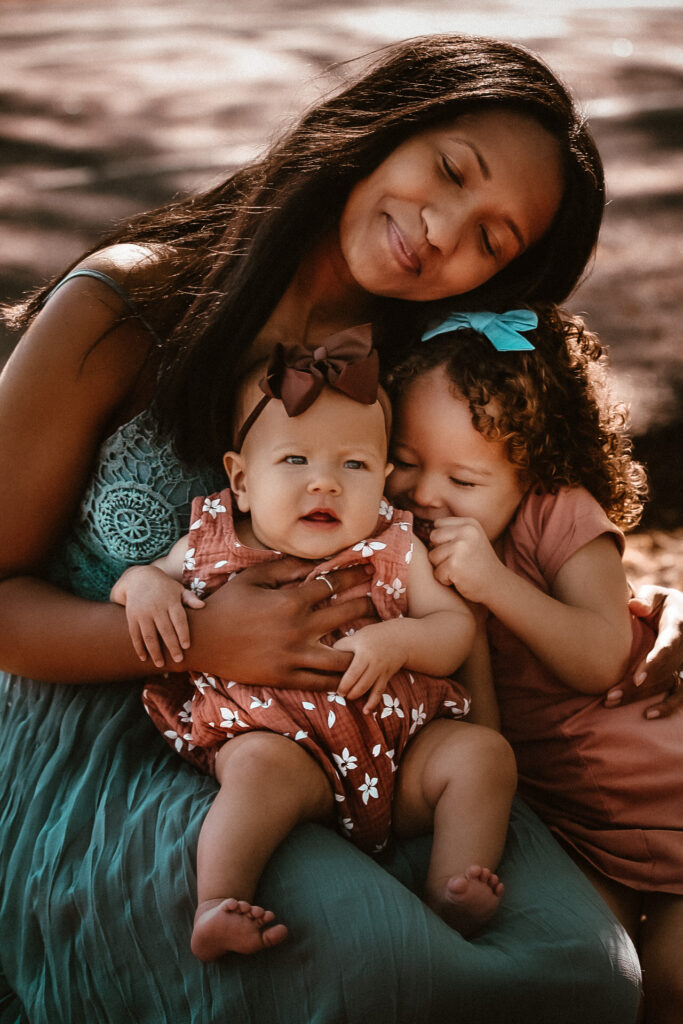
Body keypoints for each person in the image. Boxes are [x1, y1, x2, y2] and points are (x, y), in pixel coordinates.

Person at [0, 32, 680, 1024]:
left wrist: (625, 623)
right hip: (128, 737)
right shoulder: (123, 306)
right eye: (450, 170)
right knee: (380, 966)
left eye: (491, 239)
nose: (442, 228)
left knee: (582, 963)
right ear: (388, 121)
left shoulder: (421, 360)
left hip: (387, 733)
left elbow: (524, 519)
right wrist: (196, 634)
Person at [110, 338, 516, 958]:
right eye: (295, 459)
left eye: (353, 466)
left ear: (382, 481)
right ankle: (217, 901)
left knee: (482, 755)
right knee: (253, 777)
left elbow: (455, 630)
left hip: (400, 754)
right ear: (242, 481)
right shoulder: (211, 539)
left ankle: (450, 890)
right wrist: (141, 585)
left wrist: (403, 638)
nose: (324, 483)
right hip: (282, 750)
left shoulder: (394, 544)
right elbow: (144, 579)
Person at [386, 306, 683, 1024]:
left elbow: (599, 656)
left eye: (462, 478)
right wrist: (470, 623)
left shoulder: (561, 516)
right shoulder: (412, 555)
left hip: (663, 791)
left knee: (675, 975)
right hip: (575, 822)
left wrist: (493, 586)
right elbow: (485, 730)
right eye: (406, 459)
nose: (427, 495)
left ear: (530, 472)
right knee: (591, 976)